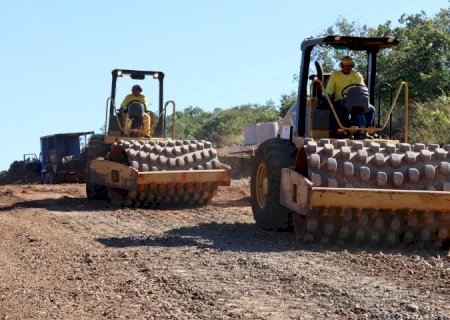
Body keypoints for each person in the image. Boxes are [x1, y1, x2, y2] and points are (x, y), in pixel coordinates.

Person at [325, 56, 375, 138]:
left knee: (371, 109)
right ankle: (348, 131)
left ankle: (364, 130)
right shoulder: (336, 75)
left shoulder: (357, 75)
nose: (348, 67)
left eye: (350, 66)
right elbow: (330, 88)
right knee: (345, 107)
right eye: (346, 66)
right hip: (341, 99)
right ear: (342, 66)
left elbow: (362, 88)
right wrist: (328, 95)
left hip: (356, 100)